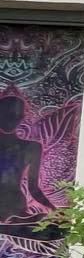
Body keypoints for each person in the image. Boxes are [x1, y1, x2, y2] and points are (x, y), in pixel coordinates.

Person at [0, 94, 53, 233]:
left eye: (15, 115)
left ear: (21, 118)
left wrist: (55, 211)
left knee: (39, 220)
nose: (10, 120)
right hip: (14, 208)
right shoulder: (30, 147)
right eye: (5, 114)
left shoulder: (32, 147)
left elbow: (33, 188)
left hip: (15, 206)